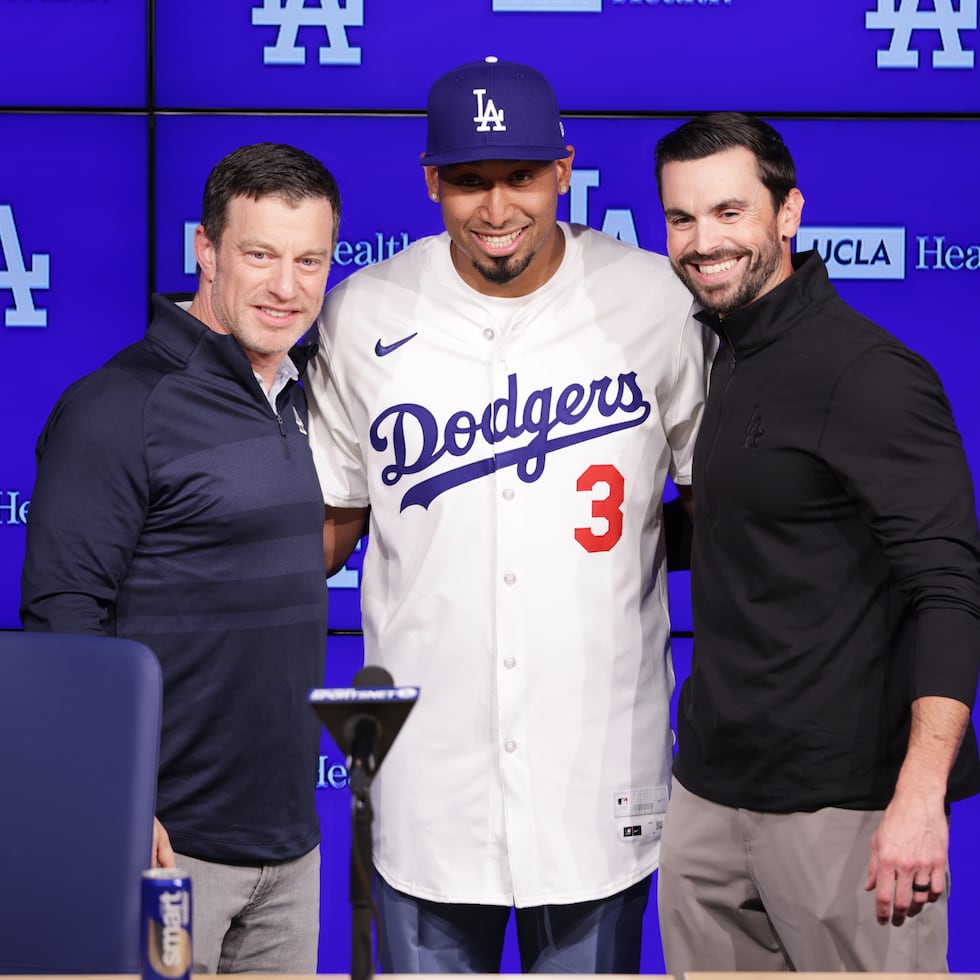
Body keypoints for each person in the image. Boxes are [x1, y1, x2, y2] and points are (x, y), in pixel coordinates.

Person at [305, 56, 713, 974]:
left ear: (563, 169)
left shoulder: (654, 300)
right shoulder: (361, 312)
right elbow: (328, 521)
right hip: (426, 775)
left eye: (520, 177)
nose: (497, 209)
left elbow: (723, 501)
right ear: (429, 181)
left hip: (600, 762)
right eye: (469, 180)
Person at [653, 111, 980, 973]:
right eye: (682, 219)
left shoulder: (869, 373)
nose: (703, 241)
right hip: (709, 796)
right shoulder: (720, 353)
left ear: (787, 213)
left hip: (846, 810)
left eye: (730, 213)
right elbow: (754, 529)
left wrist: (921, 797)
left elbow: (948, 588)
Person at [20, 142, 340, 974]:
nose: (286, 286)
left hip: (291, 845)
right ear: (205, 249)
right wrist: (117, 810)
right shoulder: (120, 404)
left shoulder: (302, 395)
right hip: (167, 850)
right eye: (260, 255)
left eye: (310, 260)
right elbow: (62, 619)